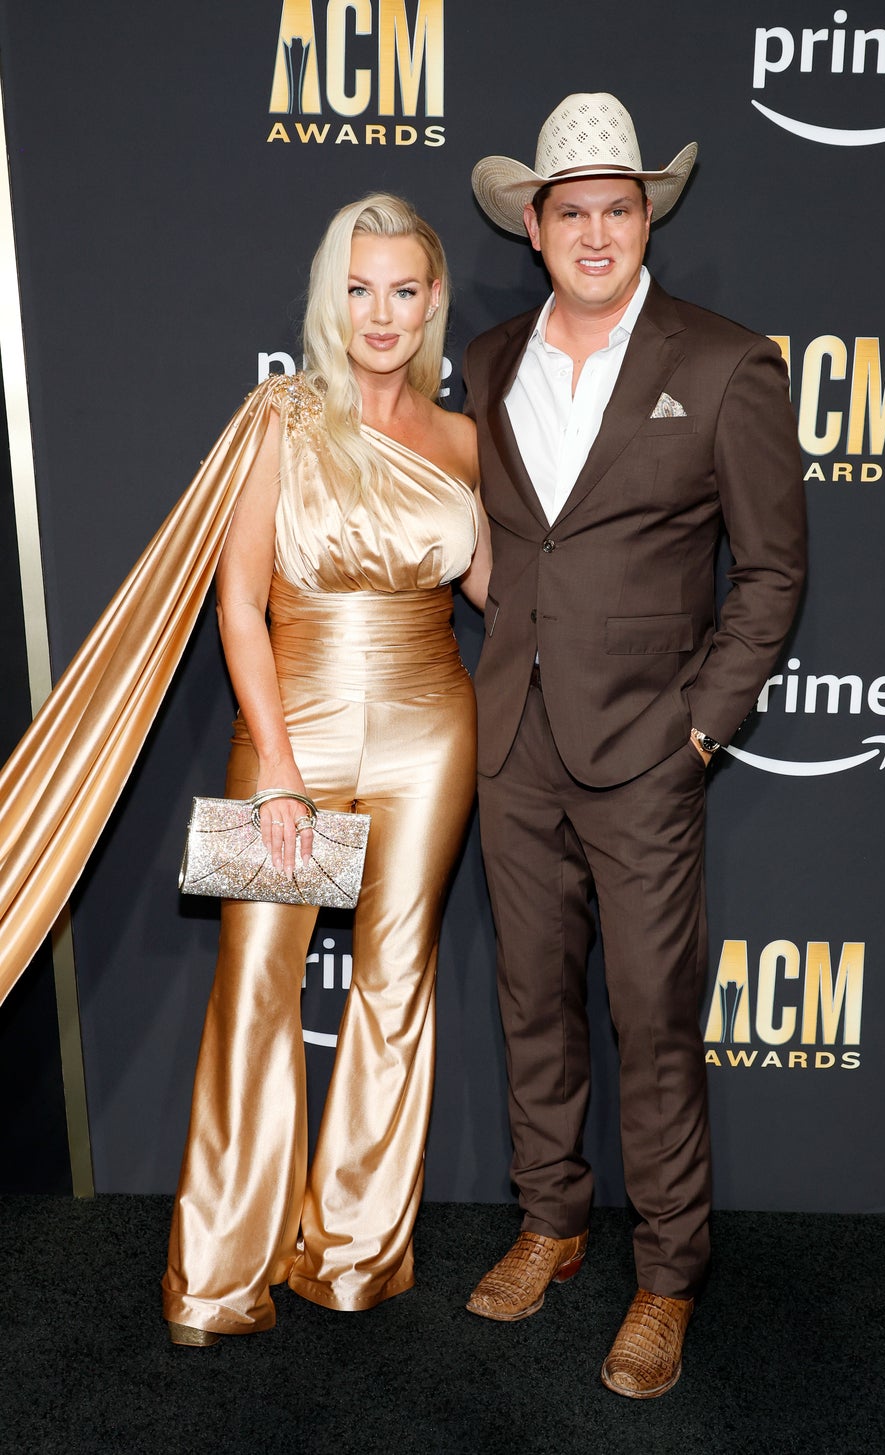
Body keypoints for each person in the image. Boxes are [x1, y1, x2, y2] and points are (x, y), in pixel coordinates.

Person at [463, 94, 806, 1398]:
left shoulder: (724, 362)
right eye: (572, 212)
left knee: (654, 1018)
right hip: (513, 743)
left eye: (618, 207)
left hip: (647, 756)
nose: (596, 232)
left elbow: (770, 572)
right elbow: (503, 543)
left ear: (647, 217)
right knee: (531, 999)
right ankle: (550, 1220)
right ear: (534, 225)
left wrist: (699, 729)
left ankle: (665, 1275)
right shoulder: (486, 361)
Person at [159, 193, 490, 1344]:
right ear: (327, 300)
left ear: (434, 300)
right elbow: (237, 604)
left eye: (402, 289)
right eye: (357, 289)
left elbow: (503, 589)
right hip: (290, 726)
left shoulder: (464, 441)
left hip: (432, 732)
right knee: (256, 983)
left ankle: (352, 1257)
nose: (379, 313)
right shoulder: (282, 418)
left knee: (395, 984)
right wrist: (279, 770)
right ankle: (217, 1280)